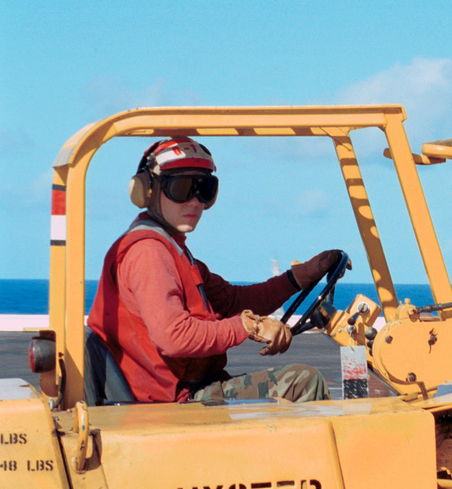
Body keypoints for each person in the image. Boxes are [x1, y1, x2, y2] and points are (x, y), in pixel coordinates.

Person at [88, 137, 341, 403]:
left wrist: (299, 277)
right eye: (182, 188)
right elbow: (174, 337)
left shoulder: (173, 250)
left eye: (205, 189)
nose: (196, 201)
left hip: (189, 390)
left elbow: (233, 300)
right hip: (173, 403)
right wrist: (249, 326)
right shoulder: (149, 252)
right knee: (303, 382)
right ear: (148, 190)